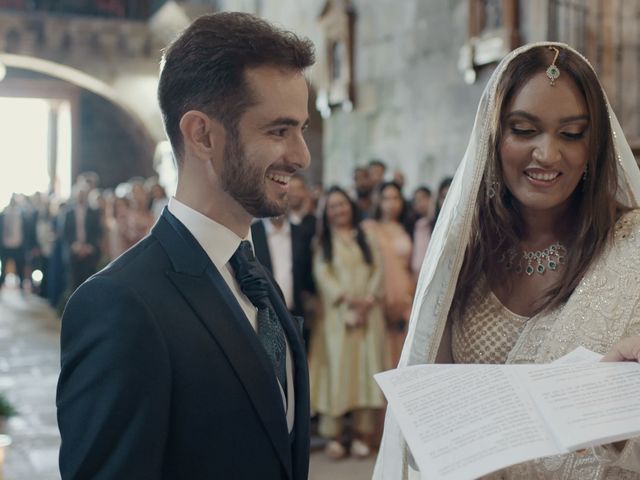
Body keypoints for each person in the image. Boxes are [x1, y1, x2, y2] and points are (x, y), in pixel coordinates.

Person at [57, 12, 315, 480]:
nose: (301, 156)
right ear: (202, 135)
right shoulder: (121, 304)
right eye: (279, 131)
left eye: (301, 129)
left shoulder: (252, 277)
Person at [374, 42, 640, 479]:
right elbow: (429, 417)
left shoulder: (630, 248)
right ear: (493, 137)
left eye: (571, 133)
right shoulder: (465, 254)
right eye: (523, 129)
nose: (547, 154)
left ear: (594, 146)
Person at [309, 186, 386, 460]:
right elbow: (322, 274)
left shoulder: (365, 236)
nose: (338, 210)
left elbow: (378, 268)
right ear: (326, 212)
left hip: (368, 314)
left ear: (351, 206)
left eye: (342, 204)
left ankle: (363, 435)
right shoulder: (323, 241)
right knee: (338, 373)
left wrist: (367, 299)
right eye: (332, 206)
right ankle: (334, 435)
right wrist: (346, 299)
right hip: (337, 318)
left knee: (366, 372)